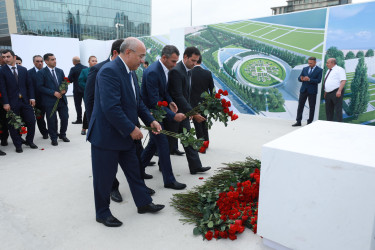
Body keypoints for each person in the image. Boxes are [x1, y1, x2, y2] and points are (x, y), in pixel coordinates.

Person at [87, 37, 165, 227]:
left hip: (126, 136)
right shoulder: (109, 72)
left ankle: (144, 203)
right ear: (128, 52)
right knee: (104, 179)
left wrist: (151, 120)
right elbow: (111, 107)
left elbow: (137, 103)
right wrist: (131, 128)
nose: (142, 60)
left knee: (134, 172)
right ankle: (102, 213)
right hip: (106, 137)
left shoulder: (130, 73)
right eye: (140, 56)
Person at [140, 45, 187, 190]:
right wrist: (173, 115)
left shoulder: (164, 69)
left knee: (154, 143)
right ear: (164, 58)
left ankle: (137, 170)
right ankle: (169, 180)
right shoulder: (153, 71)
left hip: (158, 110)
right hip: (152, 114)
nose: (175, 65)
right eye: (173, 61)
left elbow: (163, 92)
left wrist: (170, 101)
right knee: (163, 144)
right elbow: (154, 101)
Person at [85, 39, 124, 203]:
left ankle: (139, 186)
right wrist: (94, 125)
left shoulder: (128, 69)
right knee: (108, 162)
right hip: (105, 125)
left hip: (123, 122)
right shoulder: (98, 69)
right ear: (116, 53)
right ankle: (112, 187)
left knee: (132, 154)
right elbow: (90, 99)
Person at [168, 46, 211, 175]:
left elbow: (187, 95)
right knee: (163, 144)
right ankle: (142, 165)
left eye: (196, 61)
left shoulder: (189, 71)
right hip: (175, 114)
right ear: (185, 57)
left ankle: (195, 167)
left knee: (189, 139)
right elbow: (178, 96)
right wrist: (193, 112)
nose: (194, 63)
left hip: (184, 113)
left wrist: (190, 111)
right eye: (192, 60)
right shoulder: (177, 71)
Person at [0, 49, 37, 153]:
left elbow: (29, 85)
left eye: (8, 56)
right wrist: (6, 103)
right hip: (11, 103)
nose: (6, 59)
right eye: (4, 57)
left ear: (14, 57)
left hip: (25, 101)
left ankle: (29, 141)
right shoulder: (2, 71)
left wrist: (32, 97)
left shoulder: (23, 70)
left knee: (31, 121)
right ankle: (18, 145)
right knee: (13, 125)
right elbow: (2, 88)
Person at [37, 53, 70, 146]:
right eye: (52, 59)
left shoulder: (60, 71)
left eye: (55, 59)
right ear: (46, 61)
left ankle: (63, 135)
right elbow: (40, 87)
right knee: (52, 120)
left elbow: (65, 82)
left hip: (62, 100)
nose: (55, 61)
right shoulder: (41, 73)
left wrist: (65, 90)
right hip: (49, 101)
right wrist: (53, 93)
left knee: (65, 118)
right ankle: (54, 138)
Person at [190, 55, 214, 144]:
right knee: (204, 122)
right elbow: (212, 89)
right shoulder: (208, 73)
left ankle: (201, 143)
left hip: (193, 103)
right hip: (205, 103)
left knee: (197, 124)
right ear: (201, 62)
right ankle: (206, 141)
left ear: (195, 61)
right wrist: (212, 103)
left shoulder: (189, 73)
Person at [292, 57, 323, 126]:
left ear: (315, 62)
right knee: (300, 106)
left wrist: (309, 79)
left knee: (312, 107)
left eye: (311, 63)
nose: (309, 64)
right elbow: (299, 78)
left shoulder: (319, 70)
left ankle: (309, 122)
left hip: (312, 91)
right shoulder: (305, 69)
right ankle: (298, 121)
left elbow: (318, 80)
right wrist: (301, 78)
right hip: (303, 90)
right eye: (308, 63)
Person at [28, 55, 48, 139]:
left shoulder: (47, 71)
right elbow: (29, 87)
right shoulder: (29, 73)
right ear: (33, 62)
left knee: (52, 117)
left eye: (41, 61)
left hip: (48, 99)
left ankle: (53, 131)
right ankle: (44, 132)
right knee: (40, 117)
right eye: (37, 61)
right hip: (37, 101)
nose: (40, 63)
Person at [78, 55, 97, 135]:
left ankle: (96, 127)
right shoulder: (85, 71)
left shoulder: (99, 70)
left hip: (98, 93)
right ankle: (84, 128)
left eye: (96, 61)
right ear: (89, 62)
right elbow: (80, 81)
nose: (95, 62)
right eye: (93, 61)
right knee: (88, 110)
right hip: (89, 94)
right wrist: (88, 87)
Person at [324, 58, 346, 122]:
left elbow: (343, 80)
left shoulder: (339, 69)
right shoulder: (328, 70)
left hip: (336, 92)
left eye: (328, 63)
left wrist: (339, 91)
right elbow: (327, 81)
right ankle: (329, 123)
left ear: (333, 63)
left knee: (338, 110)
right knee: (328, 110)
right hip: (328, 93)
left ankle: (339, 125)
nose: (326, 64)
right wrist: (326, 91)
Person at [68, 56, 87, 124]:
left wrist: (73, 79)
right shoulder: (86, 68)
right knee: (87, 105)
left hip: (77, 90)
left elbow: (69, 79)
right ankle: (88, 119)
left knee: (78, 105)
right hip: (85, 89)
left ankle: (79, 119)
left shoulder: (73, 69)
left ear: (74, 62)